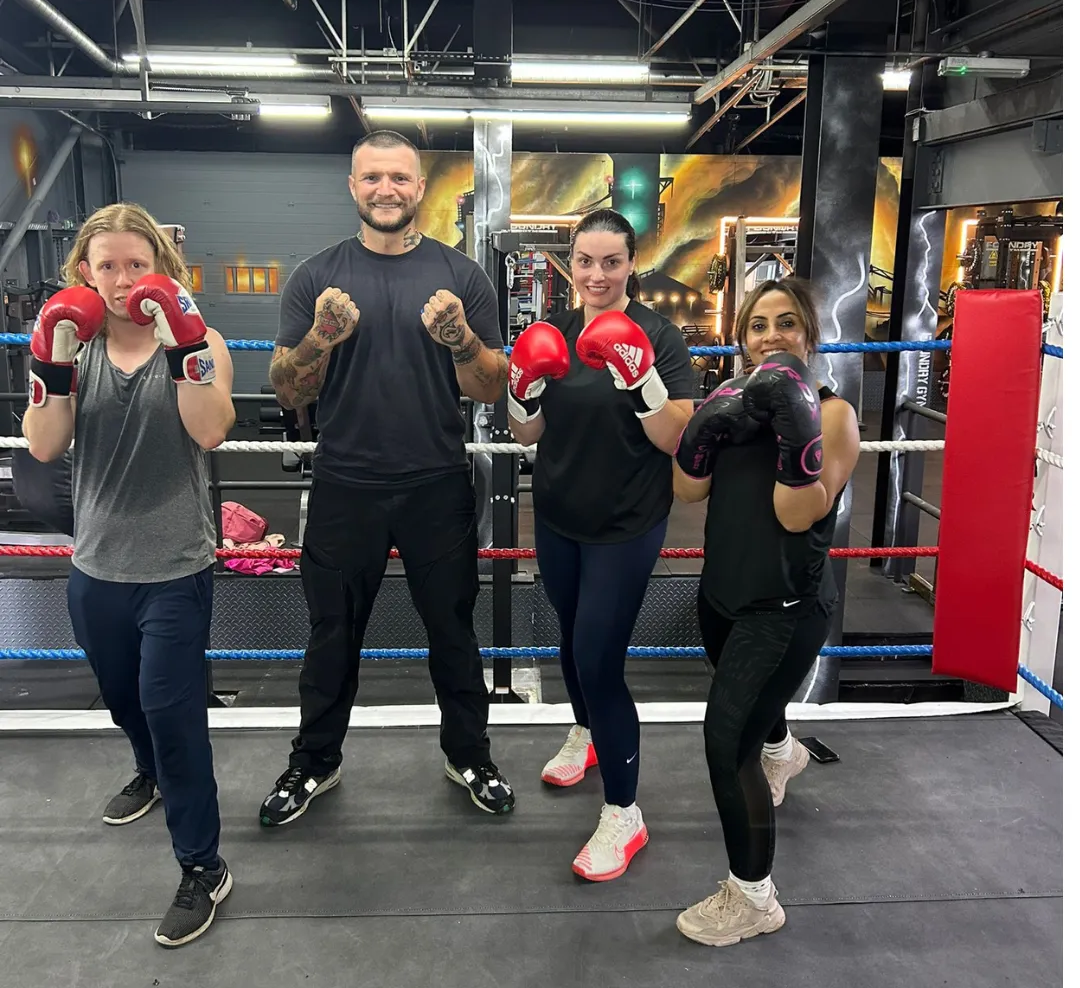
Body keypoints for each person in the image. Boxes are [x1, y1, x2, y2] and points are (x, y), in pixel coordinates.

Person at [261, 130, 515, 825]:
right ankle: (315, 761)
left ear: (420, 188)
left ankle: (469, 755)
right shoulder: (316, 277)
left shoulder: (463, 276)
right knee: (332, 634)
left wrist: (462, 339)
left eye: (399, 177)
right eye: (372, 177)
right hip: (345, 483)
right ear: (352, 186)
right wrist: (320, 338)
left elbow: (491, 387)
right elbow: (286, 389)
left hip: (437, 482)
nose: (386, 190)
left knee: (453, 632)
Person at [22, 202, 236, 948]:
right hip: (96, 568)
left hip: (174, 567)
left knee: (174, 719)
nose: (121, 279)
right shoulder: (72, 345)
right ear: (84, 271)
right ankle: (147, 771)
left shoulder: (199, 338)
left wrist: (184, 344)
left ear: (159, 268)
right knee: (125, 703)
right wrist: (51, 362)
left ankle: (203, 867)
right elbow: (44, 445)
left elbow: (210, 429)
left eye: (135, 264)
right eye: (106, 265)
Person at [671, 277, 860, 946]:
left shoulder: (833, 416)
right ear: (742, 338)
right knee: (754, 720)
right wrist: (705, 426)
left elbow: (796, 513)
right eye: (758, 325)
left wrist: (791, 417)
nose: (771, 335)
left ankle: (754, 897)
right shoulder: (730, 402)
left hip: (783, 608)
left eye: (786, 323)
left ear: (809, 336)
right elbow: (687, 490)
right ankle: (784, 748)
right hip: (722, 594)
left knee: (728, 745)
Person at [507, 209, 694, 880]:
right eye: (585, 261)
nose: (597, 274)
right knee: (569, 637)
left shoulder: (659, 336)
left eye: (611, 262)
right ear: (570, 264)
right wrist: (523, 391)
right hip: (560, 517)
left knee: (597, 657)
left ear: (631, 264)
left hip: (627, 523)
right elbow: (526, 436)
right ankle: (585, 733)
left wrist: (642, 380)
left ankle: (624, 812)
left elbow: (677, 437)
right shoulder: (552, 333)